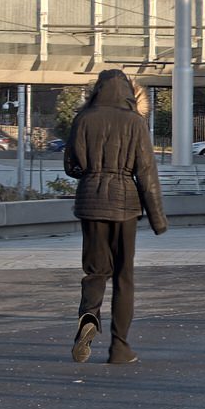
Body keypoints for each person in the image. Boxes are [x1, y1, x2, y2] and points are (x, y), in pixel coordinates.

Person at [64, 69, 168, 364]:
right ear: (128, 92)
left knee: (95, 271)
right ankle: (120, 348)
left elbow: (70, 166)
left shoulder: (82, 119)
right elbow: (146, 172)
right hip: (125, 205)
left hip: (90, 203)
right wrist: (157, 218)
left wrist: (92, 171)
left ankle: (88, 317)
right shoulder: (135, 122)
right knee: (124, 277)